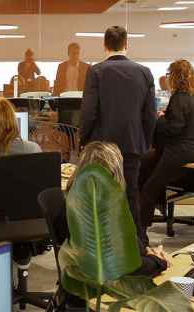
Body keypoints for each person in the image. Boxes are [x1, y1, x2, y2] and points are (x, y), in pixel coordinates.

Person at [80, 25, 156, 233]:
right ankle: (137, 242)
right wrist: (145, 142)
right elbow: (150, 115)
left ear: (105, 45)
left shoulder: (96, 71)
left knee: (103, 195)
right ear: (126, 45)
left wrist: (83, 140)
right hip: (132, 145)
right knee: (131, 194)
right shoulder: (144, 72)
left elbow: (89, 112)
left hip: (102, 147)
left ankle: (107, 245)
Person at [66, 141, 171, 277]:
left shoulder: (74, 198)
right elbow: (128, 267)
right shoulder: (102, 213)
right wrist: (158, 261)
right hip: (101, 289)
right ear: (115, 172)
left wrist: (148, 253)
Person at [139, 60, 194, 243]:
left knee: (148, 189)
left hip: (179, 152)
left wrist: (159, 119)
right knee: (147, 163)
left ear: (175, 76)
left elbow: (173, 129)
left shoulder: (179, 98)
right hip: (193, 150)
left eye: (169, 75)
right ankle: (160, 203)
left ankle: (140, 234)